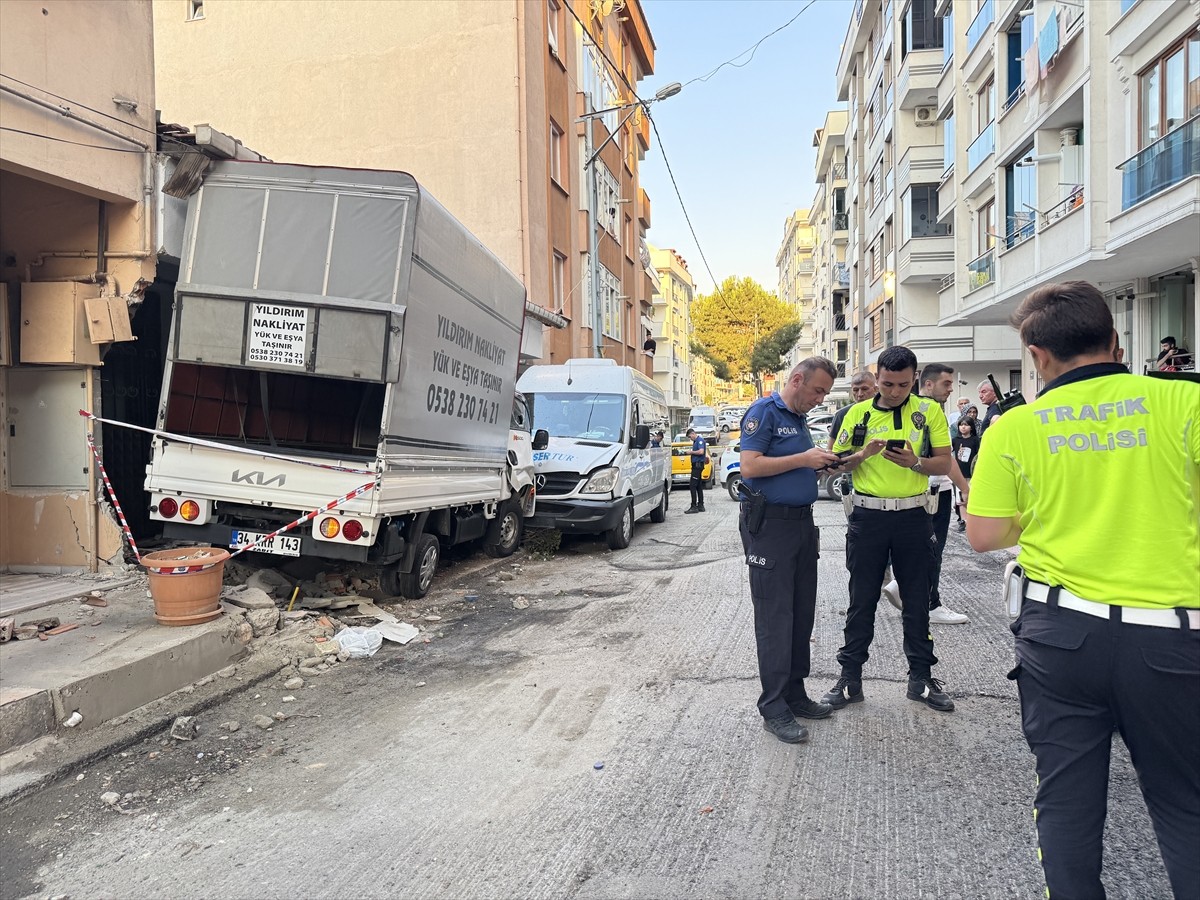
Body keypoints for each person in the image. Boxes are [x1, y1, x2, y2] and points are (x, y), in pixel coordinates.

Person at [966, 281, 1199, 900]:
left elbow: (984, 535)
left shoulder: (1015, 428)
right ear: (1116, 341)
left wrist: (1041, 518)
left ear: (1036, 356)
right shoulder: (1183, 404)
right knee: (1185, 803)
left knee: (1066, 800)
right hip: (1175, 639)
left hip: (1061, 637)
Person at [821, 346, 957, 714]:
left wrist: (915, 462)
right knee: (861, 599)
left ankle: (921, 679)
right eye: (886, 383)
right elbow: (833, 466)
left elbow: (944, 461)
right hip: (869, 518)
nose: (894, 392)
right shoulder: (856, 414)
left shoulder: (928, 412)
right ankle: (850, 679)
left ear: (915, 379)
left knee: (917, 601)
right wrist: (863, 455)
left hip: (914, 516)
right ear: (875, 377)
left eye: (902, 384)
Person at [738, 357, 843, 743]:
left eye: (826, 394)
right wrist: (805, 458)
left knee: (801, 615)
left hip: (801, 524)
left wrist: (833, 464)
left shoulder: (798, 418)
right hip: (771, 528)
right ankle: (773, 706)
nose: (820, 399)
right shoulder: (765, 412)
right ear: (796, 380)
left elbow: (796, 469)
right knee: (775, 618)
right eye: (817, 391)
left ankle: (795, 693)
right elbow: (750, 466)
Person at [880, 363, 971, 625]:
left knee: (923, 548)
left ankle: (907, 589)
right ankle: (930, 603)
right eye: (946, 384)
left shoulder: (914, 409)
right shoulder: (927, 412)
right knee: (933, 549)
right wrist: (966, 489)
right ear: (927, 384)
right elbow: (946, 459)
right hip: (932, 488)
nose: (950, 389)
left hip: (924, 489)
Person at [829, 370, 877, 440]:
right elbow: (831, 448)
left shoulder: (887, 411)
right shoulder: (842, 415)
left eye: (865, 389)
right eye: (856, 390)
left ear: (875, 389)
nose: (860, 394)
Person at [950, 417, 978, 532]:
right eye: (961, 425)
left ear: (971, 427)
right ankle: (963, 520)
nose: (963, 427)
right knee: (961, 499)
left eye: (966, 425)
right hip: (960, 475)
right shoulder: (956, 440)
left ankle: (973, 521)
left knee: (972, 497)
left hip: (972, 474)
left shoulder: (975, 440)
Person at [683, 427, 708, 514]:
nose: (690, 438)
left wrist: (691, 452)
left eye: (690, 437)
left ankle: (694, 506)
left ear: (693, 433)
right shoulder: (695, 442)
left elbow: (701, 452)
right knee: (698, 486)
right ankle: (700, 505)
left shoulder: (699, 440)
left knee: (692, 485)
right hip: (697, 466)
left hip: (697, 466)